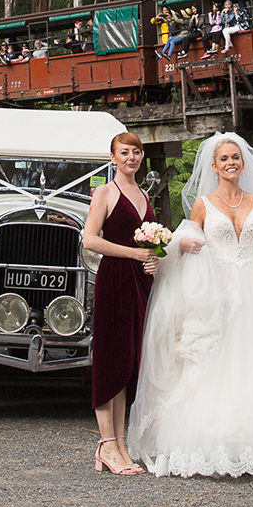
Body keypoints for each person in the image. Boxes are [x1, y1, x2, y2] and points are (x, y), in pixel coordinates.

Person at [127, 133, 253, 478]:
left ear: (244, 162)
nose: (230, 163)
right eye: (224, 159)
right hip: (216, 290)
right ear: (213, 166)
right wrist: (185, 245)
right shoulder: (203, 204)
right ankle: (215, 439)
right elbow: (182, 242)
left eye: (235, 157)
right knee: (213, 365)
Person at [83, 131, 160, 475]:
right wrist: (133, 252)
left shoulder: (144, 194)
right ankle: (106, 444)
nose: (132, 157)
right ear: (112, 157)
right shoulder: (105, 192)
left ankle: (121, 444)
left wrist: (154, 260)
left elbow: (153, 245)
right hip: (114, 279)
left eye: (137, 152)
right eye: (124, 152)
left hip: (139, 283)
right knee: (111, 358)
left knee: (130, 361)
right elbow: (89, 239)